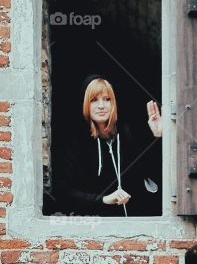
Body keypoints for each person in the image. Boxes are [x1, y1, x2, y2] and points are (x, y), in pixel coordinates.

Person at [65, 76, 162, 217]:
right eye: (94, 100)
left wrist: (158, 136)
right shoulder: (77, 142)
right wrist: (103, 199)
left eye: (107, 99)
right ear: (85, 104)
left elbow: (153, 173)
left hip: (136, 225)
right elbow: (65, 192)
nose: (101, 106)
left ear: (114, 104)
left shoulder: (128, 135)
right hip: (94, 227)